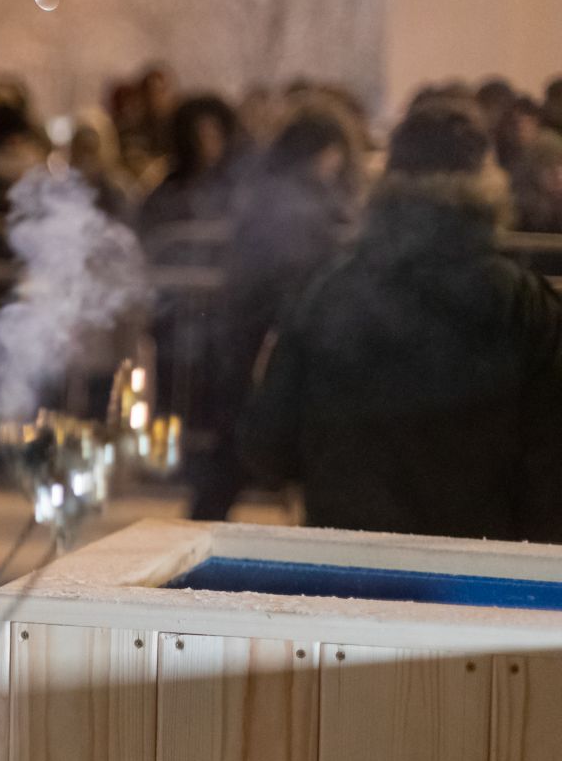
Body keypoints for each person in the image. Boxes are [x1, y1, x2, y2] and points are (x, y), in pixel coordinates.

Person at [239, 103, 562, 540]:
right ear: (488, 186)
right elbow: (550, 454)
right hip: (482, 564)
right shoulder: (523, 304)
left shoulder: (331, 293)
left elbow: (269, 445)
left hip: (351, 558)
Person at [190, 109, 357, 520]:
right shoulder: (304, 206)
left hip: (249, 337)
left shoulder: (267, 196)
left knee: (234, 449)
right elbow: (300, 275)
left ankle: (201, 527)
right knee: (246, 446)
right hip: (273, 340)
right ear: (324, 153)